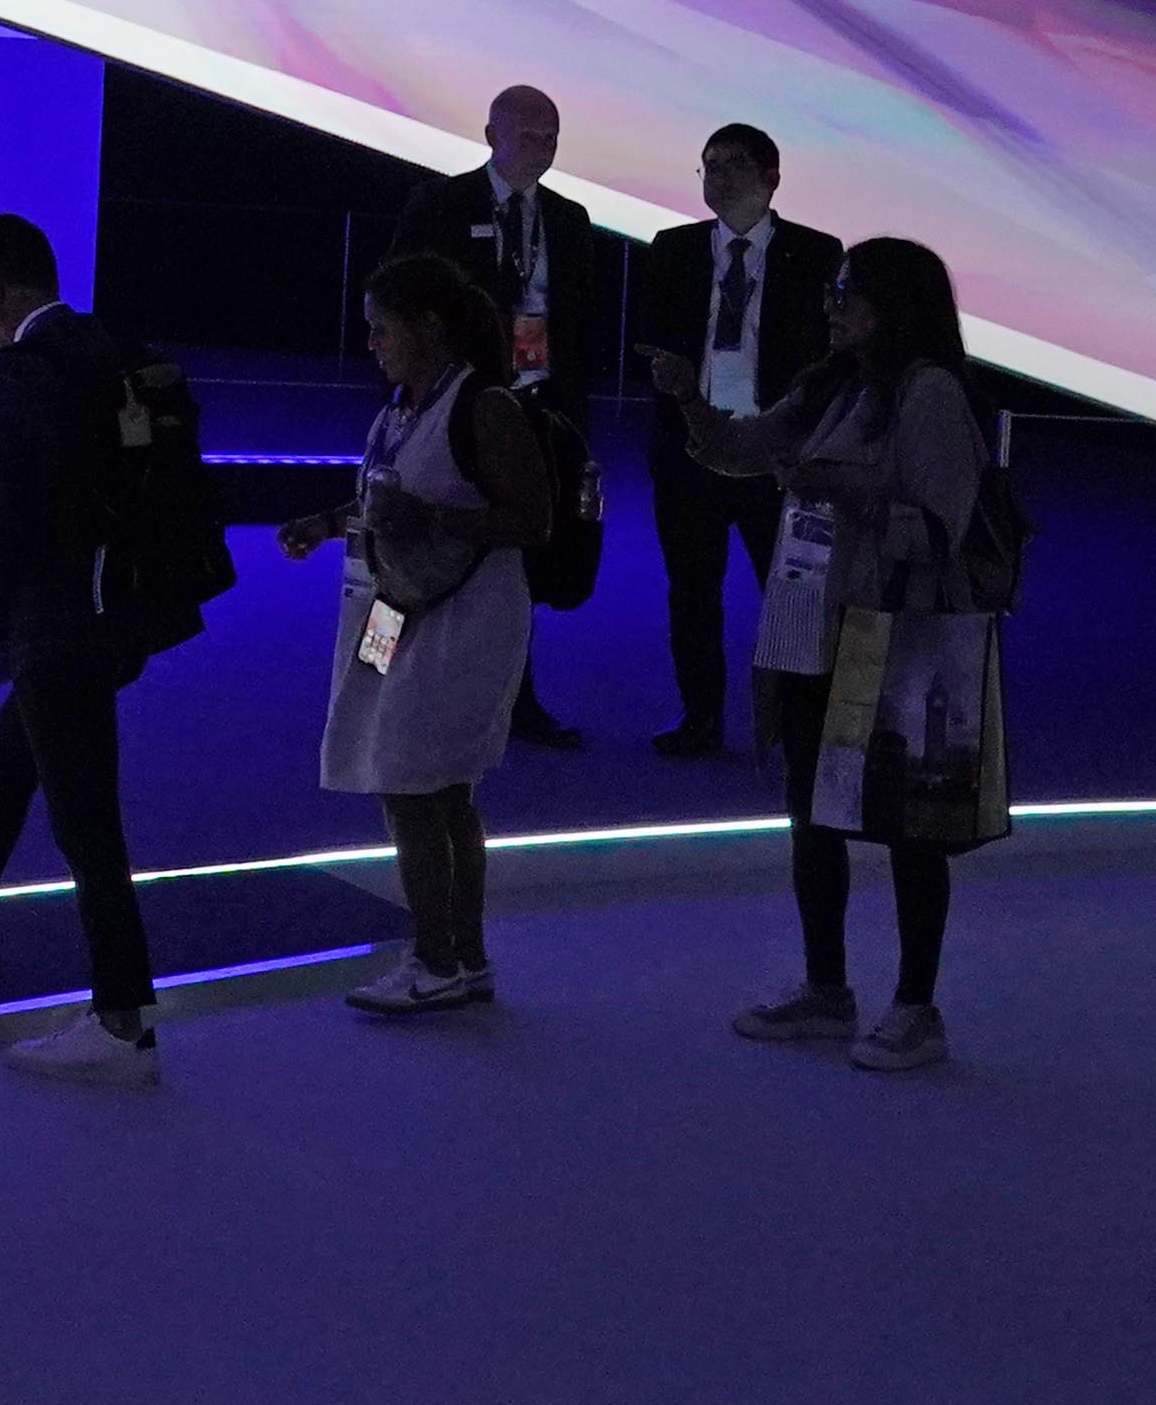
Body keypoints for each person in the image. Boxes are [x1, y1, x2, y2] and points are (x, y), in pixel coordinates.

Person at [0, 209, 223, 1085]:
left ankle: (123, 1018)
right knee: (14, 759)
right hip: (123, 613)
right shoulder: (113, 351)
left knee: (86, 820)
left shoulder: (14, 376)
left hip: (54, 624)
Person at [667, 234, 1008, 1072]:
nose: (832, 308)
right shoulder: (835, 384)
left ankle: (916, 1006)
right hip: (814, 624)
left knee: (907, 828)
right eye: (833, 293)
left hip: (898, 632)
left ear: (896, 304)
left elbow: (938, 529)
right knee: (811, 809)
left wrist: (840, 492)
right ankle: (828, 989)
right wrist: (689, 404)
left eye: (848, 293)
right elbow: (744, 452)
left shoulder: (928, 396)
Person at [284, 248, 564, 1018]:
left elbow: (533, 520)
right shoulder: (402, 405)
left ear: (429, 327)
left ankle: (437, 958)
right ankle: (462, 956)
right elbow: (387, 501)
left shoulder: (482, 406)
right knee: (413, 776)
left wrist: (432, 519)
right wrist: (325, 522)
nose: (371, 345)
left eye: (382, 330)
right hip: (386, 614)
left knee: (416, 782)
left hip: (460, 620)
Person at [385, 85, 600, 750]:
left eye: (554, 135)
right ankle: (383, 674)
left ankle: (516, 695)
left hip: (537, 404)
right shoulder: (440, 205)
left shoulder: (569, 218)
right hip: (454, 403)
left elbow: (583, 318)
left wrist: (571, 413)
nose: (545, 146)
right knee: (418, 546)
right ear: (491, 135)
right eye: (532, 134)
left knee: (520, 554)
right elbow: (398, 292)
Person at [630, 124, 842, 761]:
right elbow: (650, 336)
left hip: (776, 454)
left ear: (771, 177)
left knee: (792, 592)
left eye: (732, 165)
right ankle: (701, 717)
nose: (717, 177)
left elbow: (828, 353)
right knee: (691, 590)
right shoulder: (671, 249)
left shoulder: (816, 253)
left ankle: (805, 719)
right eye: (708, 166)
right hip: (690, 447)